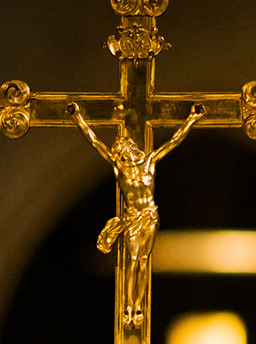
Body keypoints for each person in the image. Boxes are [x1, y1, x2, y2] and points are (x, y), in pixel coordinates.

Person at [67, 102, 204, 328]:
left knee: (143, 262)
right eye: (119, 153)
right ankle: (129, 308)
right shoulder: (119, 169)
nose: (122, 154)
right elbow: (93, 141)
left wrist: (192, 119)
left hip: (149, 216)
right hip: (132, 219)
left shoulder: (148, 163)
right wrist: (77, 117)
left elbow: (174, 141)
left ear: (130, 148)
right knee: (132, 261)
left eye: (123, 150)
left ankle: (138, 308)